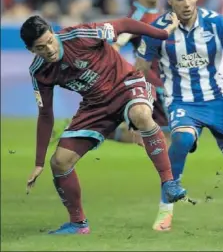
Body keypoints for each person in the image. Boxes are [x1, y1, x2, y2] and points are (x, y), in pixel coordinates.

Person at [22, 15, 187, 234]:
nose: (49, 49)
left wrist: (163, 33)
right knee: (59, 162)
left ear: (53, 31)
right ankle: (78, 224)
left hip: (126, 84)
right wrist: (39, 162)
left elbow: (125, 24)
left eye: (50, 41)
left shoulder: (80, 35)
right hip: (95, 105)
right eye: (41, 48)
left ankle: (169, 183)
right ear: (31, 50)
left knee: (141, 114)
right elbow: (45, 114)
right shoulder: (39, 71)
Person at [136, 0, 223, 231]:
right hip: (182, 101)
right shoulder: (157, 30)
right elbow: (139, 70)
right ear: (170, 0)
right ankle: (165, 209)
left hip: (219, 102)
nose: (186, 3)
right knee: (182, 139)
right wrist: (141, 107)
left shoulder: (216, 24)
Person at [107, 0, 169, 146]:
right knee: (170, 141)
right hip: (153, 85)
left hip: (168, 81)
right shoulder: (136, 17)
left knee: (164, 140)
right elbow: (114, 46)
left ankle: (103, 131)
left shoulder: (160, 11)